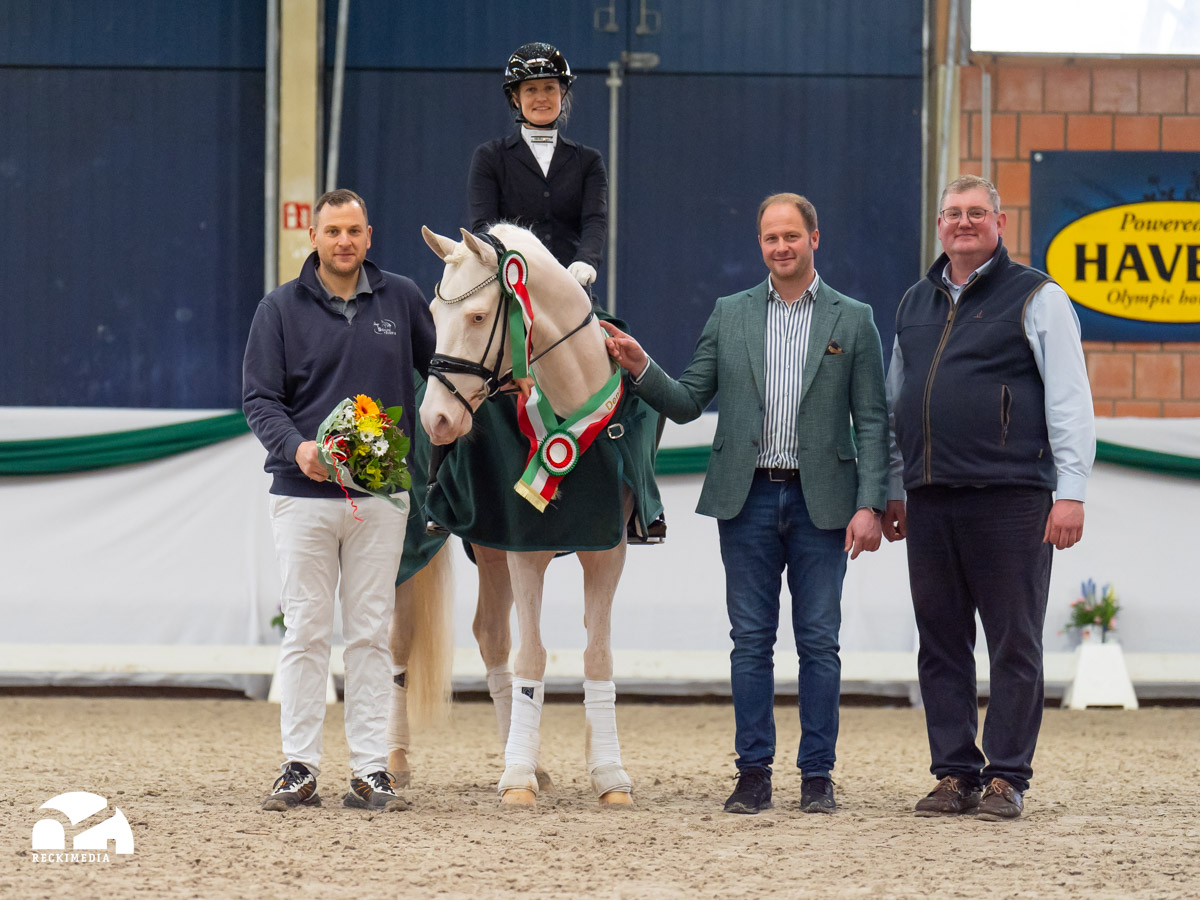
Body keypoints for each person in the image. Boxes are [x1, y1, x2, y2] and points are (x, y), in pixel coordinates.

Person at [600, 193, 890, 815]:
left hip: (824, 503)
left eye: (792, 235)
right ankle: (753, 774)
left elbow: (872, 419)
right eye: (770, 238)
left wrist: (871, 503)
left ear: (815, 238)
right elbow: (686, 401)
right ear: (759, 244)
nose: (781, 246)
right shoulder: (729, 313)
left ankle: (817, 776)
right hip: (747, 497)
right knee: (750, 641)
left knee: (819, 642)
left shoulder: (853, 318)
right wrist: (641, 366)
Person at [883, 174, 1095, 821]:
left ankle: (1006, 776)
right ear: (939, 225)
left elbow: (1070, 398)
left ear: (1000, 223)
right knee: (940, 642)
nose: (964, 222)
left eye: (977, 212)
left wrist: (1071, 492)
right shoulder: (914, 302)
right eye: (953, 213)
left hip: (1013, 497)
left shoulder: (1038, 296)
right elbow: (896, 402)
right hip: (930, 498)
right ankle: (953, 773)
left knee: (1013, 642)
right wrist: (893, 485)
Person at [243, 189, 435, 812]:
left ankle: (370, 771)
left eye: (354, 230)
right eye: (333, 231)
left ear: (369, 235)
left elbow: (440, 370)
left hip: (381, 496)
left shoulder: (403, 299)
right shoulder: (278, 309)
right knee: (306, 630)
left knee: (372, 633)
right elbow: (259, 399)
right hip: (302, 494)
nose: (344, 241)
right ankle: (298, 767)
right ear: (314, 237)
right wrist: (296, 447)